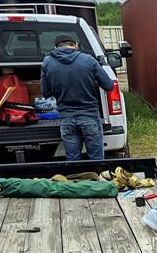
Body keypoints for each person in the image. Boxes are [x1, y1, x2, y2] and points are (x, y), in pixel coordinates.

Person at [41, 33, 113, 161]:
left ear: (56, 47)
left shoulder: (47, 62)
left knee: (73, 160)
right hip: (89, 117)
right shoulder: (88, 60)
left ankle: (77, 179)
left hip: (67, 119)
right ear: (76, 45)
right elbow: (108, 85)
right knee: (96, 160)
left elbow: (46, 93)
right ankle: (96, 179)